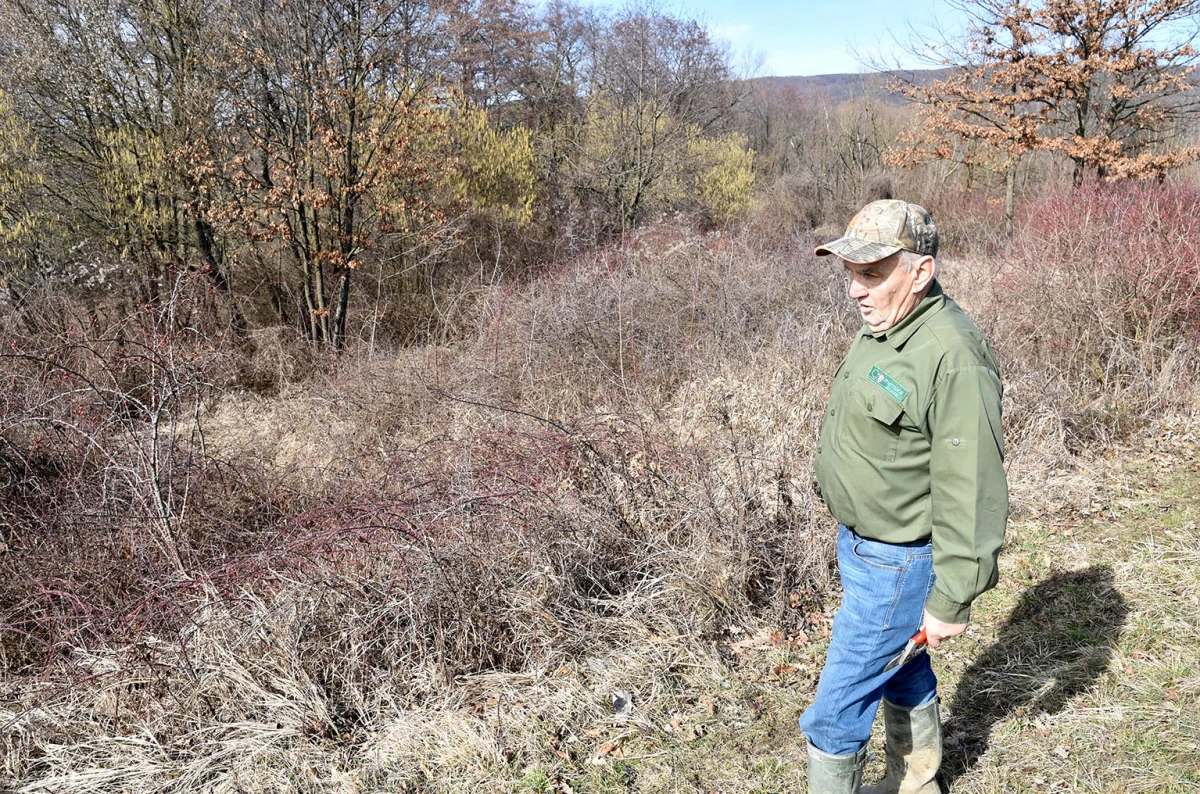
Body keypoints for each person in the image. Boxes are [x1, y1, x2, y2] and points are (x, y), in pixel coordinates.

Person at [800, 200, 1009, 794]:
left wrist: (951, 597)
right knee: (902, 670)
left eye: (871, 274)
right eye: (850, 273)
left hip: (898, 563)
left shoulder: (952, 356)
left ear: (920, 271)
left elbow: (972, 487)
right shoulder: (888, 327)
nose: (855, 291)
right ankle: (917, 786)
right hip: (864, 551)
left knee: (835, 714)